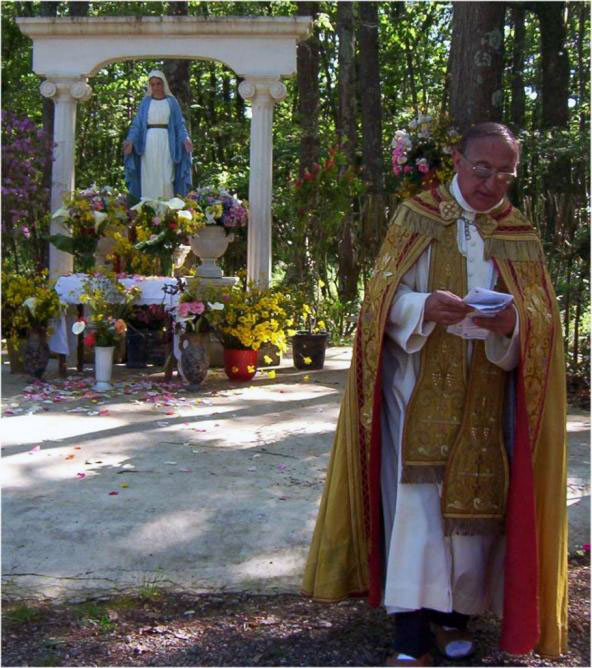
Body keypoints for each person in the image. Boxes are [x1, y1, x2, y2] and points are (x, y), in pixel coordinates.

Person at [302, 123, 567, 665]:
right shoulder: (415, 216)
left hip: (487, 389)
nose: (492, 183)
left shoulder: (517, 230)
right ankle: (410, 629)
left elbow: (542, 316)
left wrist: (512, 323)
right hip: (417, 383)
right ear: (456, 161)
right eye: (481, 169)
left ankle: (455, 616)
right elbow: (379, 299)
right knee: (418, 509)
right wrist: (421, 307)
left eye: (505, 173)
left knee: (476, 512)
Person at [123, 69, 193, 201]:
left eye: (158, 83)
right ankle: (149, 213)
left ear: (164, 84)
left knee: (167, 178)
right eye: (152, 84)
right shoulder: (145, 102)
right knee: (149, 178)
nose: (156, 87)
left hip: (167, 141)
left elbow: (179, 124)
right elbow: (137, 124)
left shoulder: (172, 102)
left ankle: (167, 212)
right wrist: (130, 140)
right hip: (148, 143)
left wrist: (185, 139)